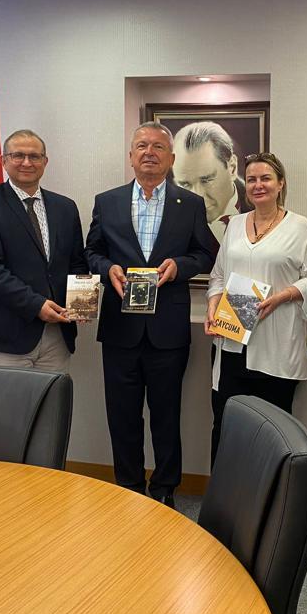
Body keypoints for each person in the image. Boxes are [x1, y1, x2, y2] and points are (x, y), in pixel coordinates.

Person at [85, 121, 215, 507]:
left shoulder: (190, 204)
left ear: (171, 158)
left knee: (166, 415)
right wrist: (107, 269)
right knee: (122, 416)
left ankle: (163, 489)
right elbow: (91, 252)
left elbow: (206, 254)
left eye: (158, 147)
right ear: (130, 156)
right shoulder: (107, 201)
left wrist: (180, 265)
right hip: (120, 328)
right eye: (141, 146)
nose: (149, 153)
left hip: (167, 331)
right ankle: (128, 487)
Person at [204, 152, 307, 463]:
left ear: (280, 183)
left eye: (266, 178)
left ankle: (271, 494)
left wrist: (285, 295)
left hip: (276, 345)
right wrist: (213, 304)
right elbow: (218, 276)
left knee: (273, 433)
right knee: (227, 425)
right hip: (232, 342)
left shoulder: (299, 227)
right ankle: (225, 492)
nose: (258, 185)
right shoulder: (234, 224)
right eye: (252, 179)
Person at [0, 129, 86, 371]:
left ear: (45, 161)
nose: (27, 163)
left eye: (34, 156)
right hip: (7, 335)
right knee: (11, 398)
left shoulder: (65, 207)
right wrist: (35, 305)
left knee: (53, 397)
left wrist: (80, 302)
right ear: (3, 160)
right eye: (18, 155)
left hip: (57, 334)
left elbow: (77, 263)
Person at [172, 121, 252, 242]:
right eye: (185, 184)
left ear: (232, 168)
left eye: (207, 180)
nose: (198, 196)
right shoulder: (169, 218)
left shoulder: (261, 207)